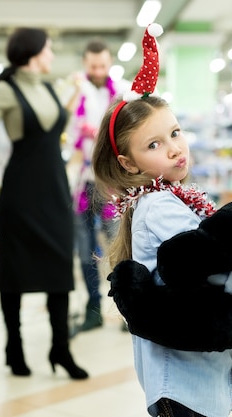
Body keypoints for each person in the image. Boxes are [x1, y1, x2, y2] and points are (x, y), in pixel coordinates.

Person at [91, 24, 232, 416]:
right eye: (154, 144)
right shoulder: (158, 206)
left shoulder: (176, 199)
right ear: (128, 163)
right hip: (182, 384)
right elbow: (223, 268)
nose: (174, 149)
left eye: (175, 133)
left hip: (195, 377)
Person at [0, 27, 88, 380]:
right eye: (49, 49)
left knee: (60, 270)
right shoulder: (5, 89)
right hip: (21, 193)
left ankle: (60, 348)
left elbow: (52, 127)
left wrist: (73, 95)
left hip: (54, 191)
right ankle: (13, 347)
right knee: (14, 273)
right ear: (34, 52)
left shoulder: (48, 89)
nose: (52, 55)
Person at [65, 38, 131, 332]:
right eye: (93, 65)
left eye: (103, 65)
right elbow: (64, 128)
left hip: (113, 182)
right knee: (84, 250)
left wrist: (103, 128)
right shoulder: (75, 91)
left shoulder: (122, 93)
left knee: (120, 246)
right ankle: (92, 310)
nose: (98, 70)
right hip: (83, 182)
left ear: (109, 64)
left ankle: (129, 309)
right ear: (85, 64)